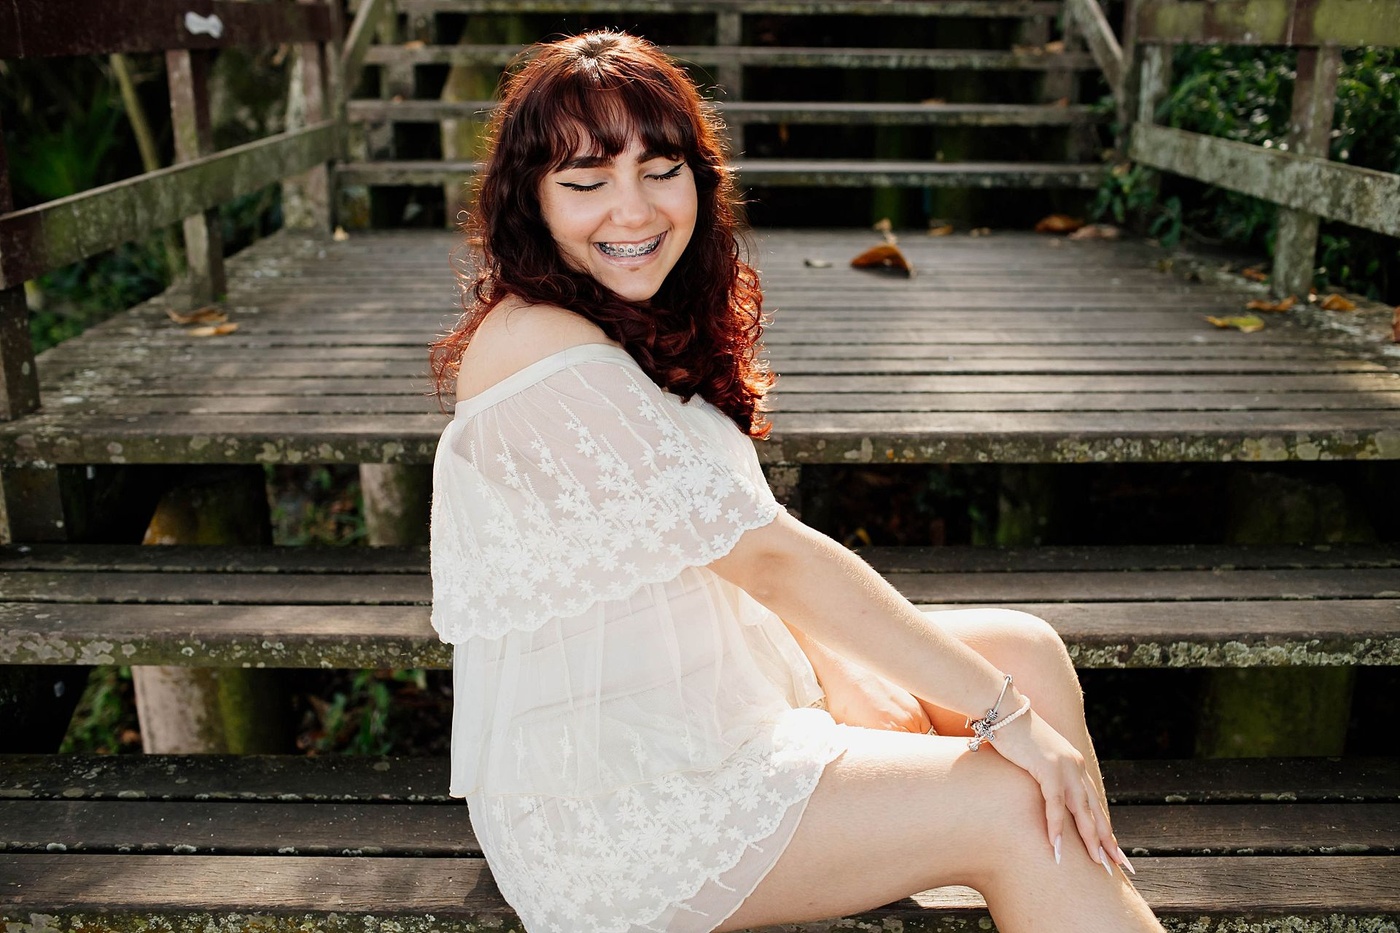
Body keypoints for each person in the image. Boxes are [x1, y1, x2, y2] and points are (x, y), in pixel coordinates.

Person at [428, 29, 1166, 933]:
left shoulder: (615, 321)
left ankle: (1081, 902)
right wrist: (1000, 718)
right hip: (621, 798)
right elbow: (768, 558)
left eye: (660, 170)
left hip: (708, 708)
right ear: (530, 198)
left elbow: (708, 555)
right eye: (586, 182)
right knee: (1014, 794)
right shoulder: (537, 345)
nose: (633, 209)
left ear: (698, 178)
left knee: (1026, 650)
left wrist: (839, 664)